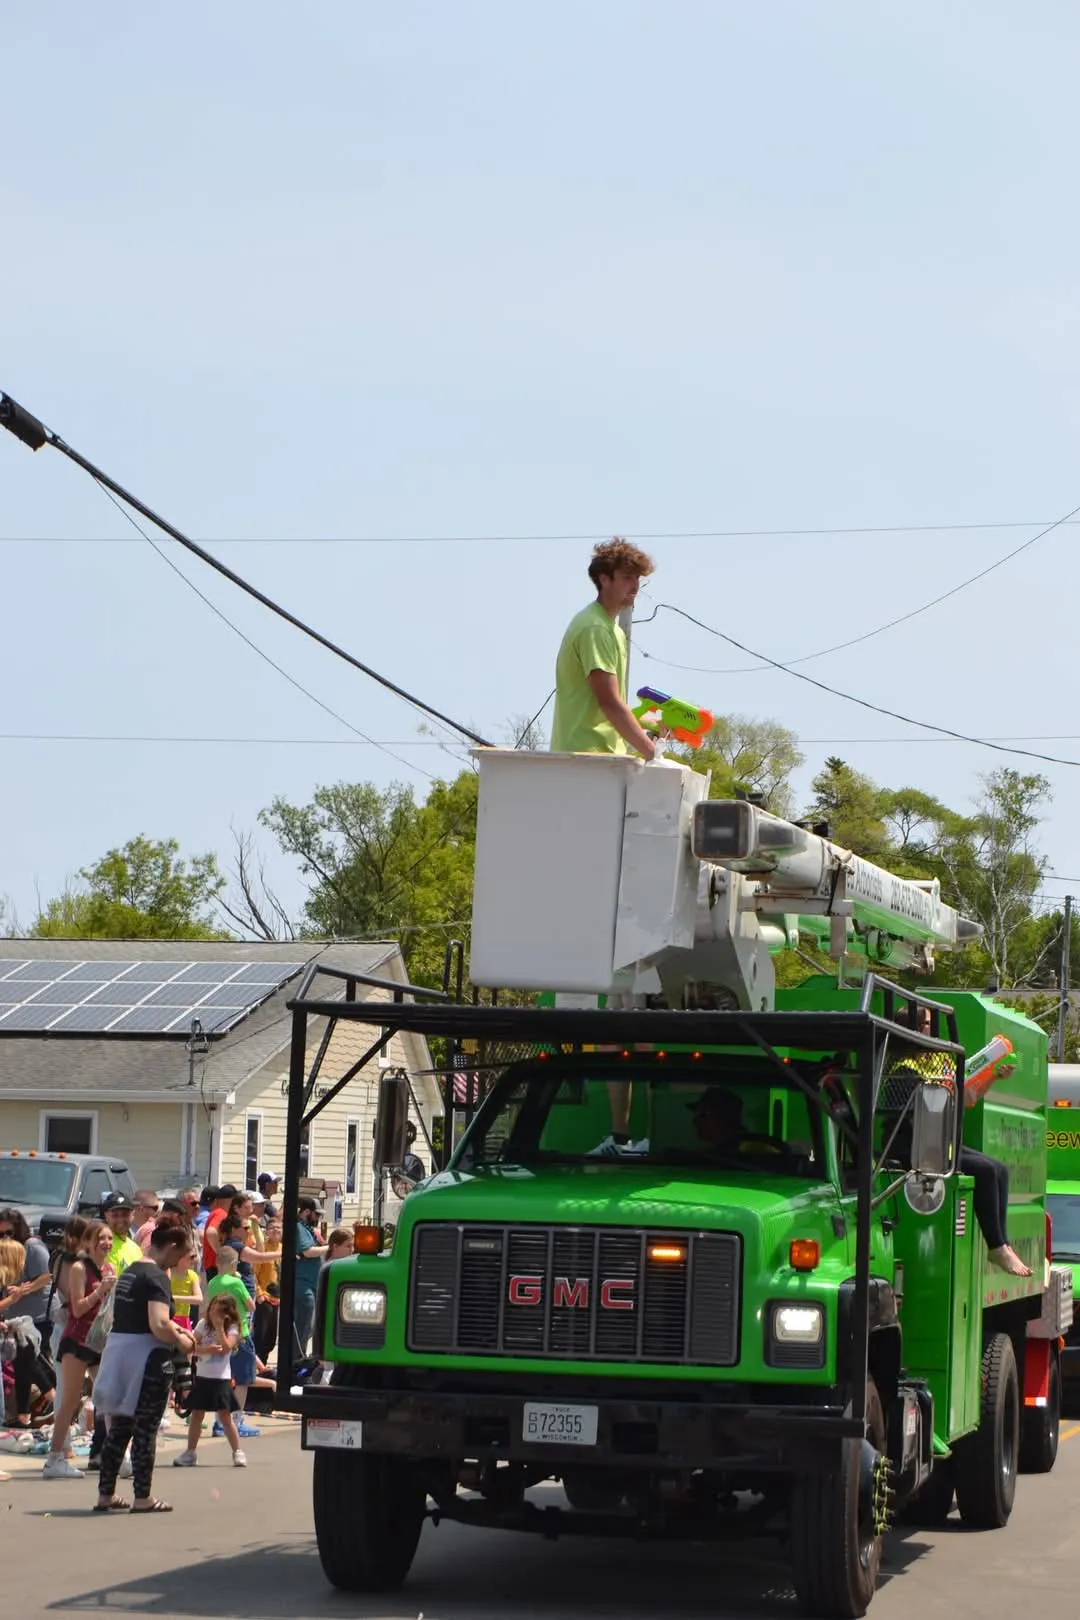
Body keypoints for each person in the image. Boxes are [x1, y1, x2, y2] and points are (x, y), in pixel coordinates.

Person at [888, 1007, 1031, 1277]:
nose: (934, 1029)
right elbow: (926, 1110)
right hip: (915, 1144)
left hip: (941, 1140)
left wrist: (992, 1075)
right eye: (928, 1023)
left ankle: (1001, 1246)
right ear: (914, 1028)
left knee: (999, 1169)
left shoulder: (938, 1061)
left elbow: (966, 1098)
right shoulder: (904, 1067)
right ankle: (997, 1246)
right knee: (986, 1171)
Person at [92, 1221, 197, 1513]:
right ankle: (143, 1497)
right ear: (172, 1246)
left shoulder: (131, 1272)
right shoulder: (156, 1277)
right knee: (145, 1428)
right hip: (147, 1359)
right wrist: (183, 1340)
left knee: (120, 1427)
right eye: (183, 1254)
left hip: (120, 1353)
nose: (181, 1262)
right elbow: (159, 1324)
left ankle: (106, 1494)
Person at [550, 538, 658, 760]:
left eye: (638, 578)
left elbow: (609, 706)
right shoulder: (595, 628)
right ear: (604, 579)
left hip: (599, 759)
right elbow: (609, 703)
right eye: (628, 577)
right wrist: (652, 753)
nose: (635, 586)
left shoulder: (612, 629)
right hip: (585, 758)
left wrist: (651, 723)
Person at [43, 1221, 116, 1479]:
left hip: (99, 1341)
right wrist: (102, 1291)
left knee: (107, 1396)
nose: (106, 1243)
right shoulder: (78, 1268)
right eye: (100, 1238)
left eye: (109, 1238)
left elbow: (106, 1311)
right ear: (87, 1242)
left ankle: (118, 1455)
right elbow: (77, 1309)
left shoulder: (109, 1268)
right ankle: (54, 1459)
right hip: (76, 1341)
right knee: (70, 1401)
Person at [171, 1293, 247, 1469]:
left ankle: (238, 1452)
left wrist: (220, 1328)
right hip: (203, 1377)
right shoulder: (203, 1324)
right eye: (212, 1309)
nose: (213, 1314)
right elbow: (192, 1347)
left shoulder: (232, 1327)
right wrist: (206, 1349)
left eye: (218, 1311)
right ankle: (190, 1452)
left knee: (225, 1416)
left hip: (221, 1379)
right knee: (197, 1414)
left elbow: (226, 1347)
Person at [291, 1197, 328, 1361]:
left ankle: (300, 1356)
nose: (318, 1218)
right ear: (307, 1212)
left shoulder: (308, 1229)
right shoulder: (298, 1228)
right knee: (303, 1324)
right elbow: (307, 1251)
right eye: (316, 1214)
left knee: (309, 1325)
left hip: (312, 1283)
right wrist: (330, 1247)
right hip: (302, 1284)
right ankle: (296, 1358)